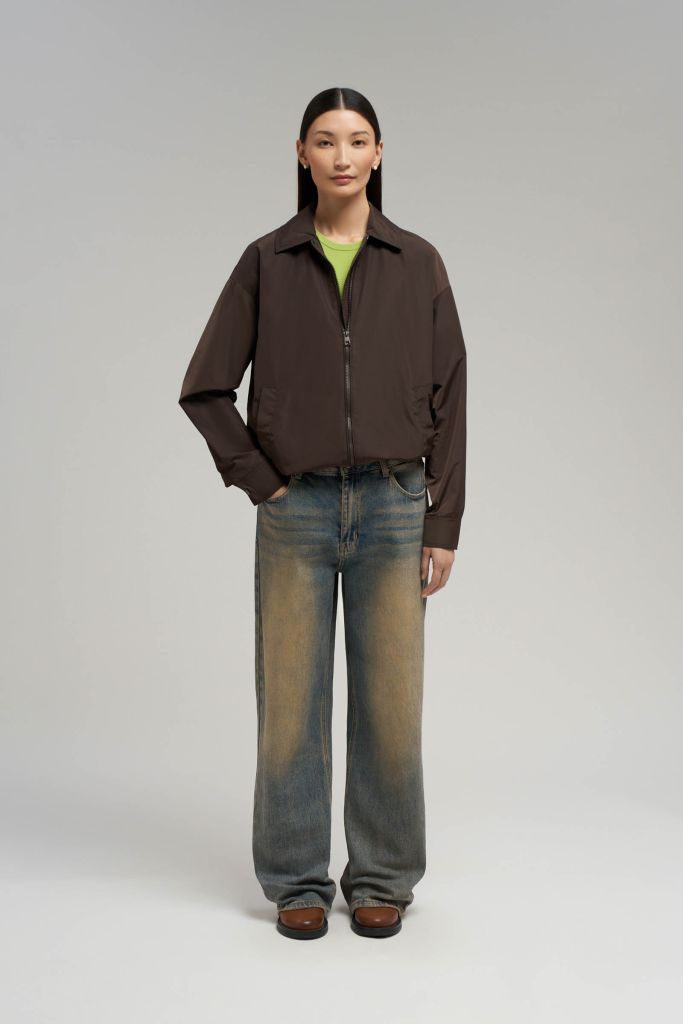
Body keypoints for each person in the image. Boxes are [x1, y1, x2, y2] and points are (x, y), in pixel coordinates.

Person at [178, 87, 467, 940]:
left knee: (391, 705)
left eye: (358, 139)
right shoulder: (266, 261)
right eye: (325, 140)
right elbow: (204, 387)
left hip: (393, 506)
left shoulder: (416, 261)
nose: (342, 155)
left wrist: (442, 521)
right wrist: (260, 482)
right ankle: (296, 880)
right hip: (295, 512)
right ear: (301, 154)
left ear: (379, 153)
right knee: (291, 706)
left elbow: (451, 394)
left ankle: (381, 876)